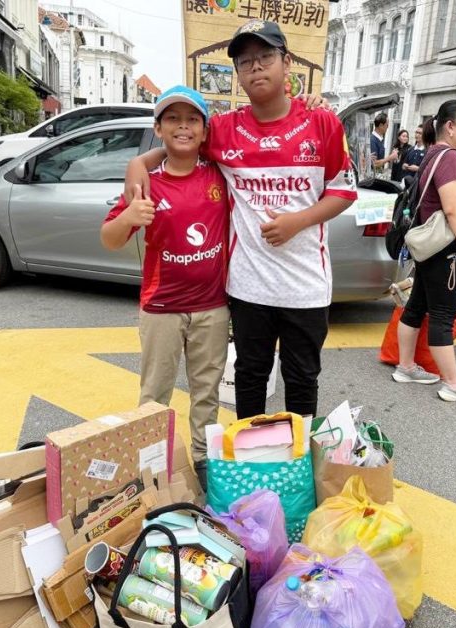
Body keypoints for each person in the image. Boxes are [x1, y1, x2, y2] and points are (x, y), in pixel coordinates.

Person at [126, 20, 356, 420]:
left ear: (287, 64)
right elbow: (180, 142)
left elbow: (343, 190)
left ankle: (297, 469)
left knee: (302, 379)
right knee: (250, 376)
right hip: (248, 287)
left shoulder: (322, 123)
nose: (256, 68)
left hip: (306, 287)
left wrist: (298, 221)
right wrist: (137, 163)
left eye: (265, 57)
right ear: (238, 74)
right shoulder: (224, 130)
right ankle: (251, 464)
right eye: (245, 62)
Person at [101, 86, 229, 485]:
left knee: (207, 393)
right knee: (155, 395)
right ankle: (151, 467)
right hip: (162, 309)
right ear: (158, 127)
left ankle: (205, 460)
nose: (183, 127)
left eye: (192, 119)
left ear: (205, 131)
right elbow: (109, 237)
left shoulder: (218, 174)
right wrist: (130, 217)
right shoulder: (146, 184)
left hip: (212, 307)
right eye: (172, 119)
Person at [392, 101, 456, 404]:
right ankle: (454, 384)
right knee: (443, 315)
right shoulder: (449, 157)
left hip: (431, 249)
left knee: (417, 305)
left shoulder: (435, 153)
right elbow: (452, 209)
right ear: (450, 126)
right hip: (446, 249)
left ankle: (406, 366)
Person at [401, 124, 426, 188]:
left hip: (418, 186)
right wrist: (404, 166)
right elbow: (403, 165)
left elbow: (429, 170)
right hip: (406, 184)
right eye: (416, 132)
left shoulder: (427, 151)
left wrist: (418, 169)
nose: (417, 135)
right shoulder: (411, 149)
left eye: (420, 133)